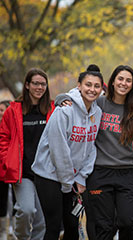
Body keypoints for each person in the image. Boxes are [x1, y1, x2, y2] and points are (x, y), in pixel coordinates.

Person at [56, 65, 133, 240]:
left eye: (128, 80)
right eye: (120, 79)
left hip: (127, 173)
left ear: (132, 84)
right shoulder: (99, 103)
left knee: (128, 222)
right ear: (113, 81)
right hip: (100, 172)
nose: (124, 83)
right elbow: (76, 99)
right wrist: (62, 99)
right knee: (104, 226)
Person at [31, 65, 103, 240]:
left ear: (101, 89)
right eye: (88, 84)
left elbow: (90, 146)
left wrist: (81, 177)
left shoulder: (97, 112)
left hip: (72, 179)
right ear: (79, 85)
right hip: (49, 175)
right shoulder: (64, 110)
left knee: (72, 225)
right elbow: (59, 149)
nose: (92, 89)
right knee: (54, 226)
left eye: (96, 86)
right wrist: (67, 182)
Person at [0, 69, 55, 240]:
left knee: (41, 220)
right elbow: (3, 137)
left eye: (43, 84)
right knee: (26, 209)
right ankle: (21, 237)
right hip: (23, 172)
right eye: (36, 83)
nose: (39, 87)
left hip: (46, 172)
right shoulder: (13, 110)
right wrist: (6, 160)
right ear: (27, 85)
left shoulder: (52, 108)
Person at [0, 100, 10, 240]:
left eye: (2, 110)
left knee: (6, 200)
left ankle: (6, 230)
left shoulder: (11, 126)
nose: (1, 113)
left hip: (7, 169)